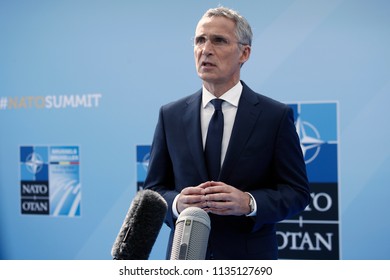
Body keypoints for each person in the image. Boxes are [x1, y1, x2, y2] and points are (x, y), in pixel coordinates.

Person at [144, 6, 310, 260]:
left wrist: (249, 202)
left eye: (218, 40)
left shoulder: (274, 116)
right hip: (184, 259)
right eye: (200, 40)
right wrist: (177, 203)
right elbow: (153, 191)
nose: (205, 49)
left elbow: (297, 193)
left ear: (244, 53)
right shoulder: (171, 115)